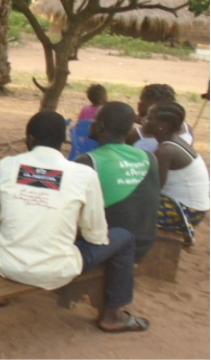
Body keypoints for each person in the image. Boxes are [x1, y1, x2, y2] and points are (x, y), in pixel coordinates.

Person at [0, 111, 149, 333]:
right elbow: (96, 236)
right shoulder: (83, 174)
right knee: (124, 237)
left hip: (6, 265)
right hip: (58, 270)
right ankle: (112, 315)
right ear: (63, 141)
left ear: (30, 139)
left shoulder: (6, 165)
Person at [74, 102, 160, 261]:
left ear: (100, 127)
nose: (91, 123)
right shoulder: (149, 158)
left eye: (94, 120)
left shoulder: (88, 162)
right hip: (143, 245)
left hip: (110, 246)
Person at [143, 102, 210, 245]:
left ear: (163, 125)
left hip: (186, 211)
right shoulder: (172, 143)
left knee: (128, 210)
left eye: (149, 118)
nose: (144, 120)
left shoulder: (165, 151)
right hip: (192, 208)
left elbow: (154, 189)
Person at [127, 84, 193, 152]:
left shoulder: (136, 135)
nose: (138, 103)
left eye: (141, 100)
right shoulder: (186, 129)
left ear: (151, 104)